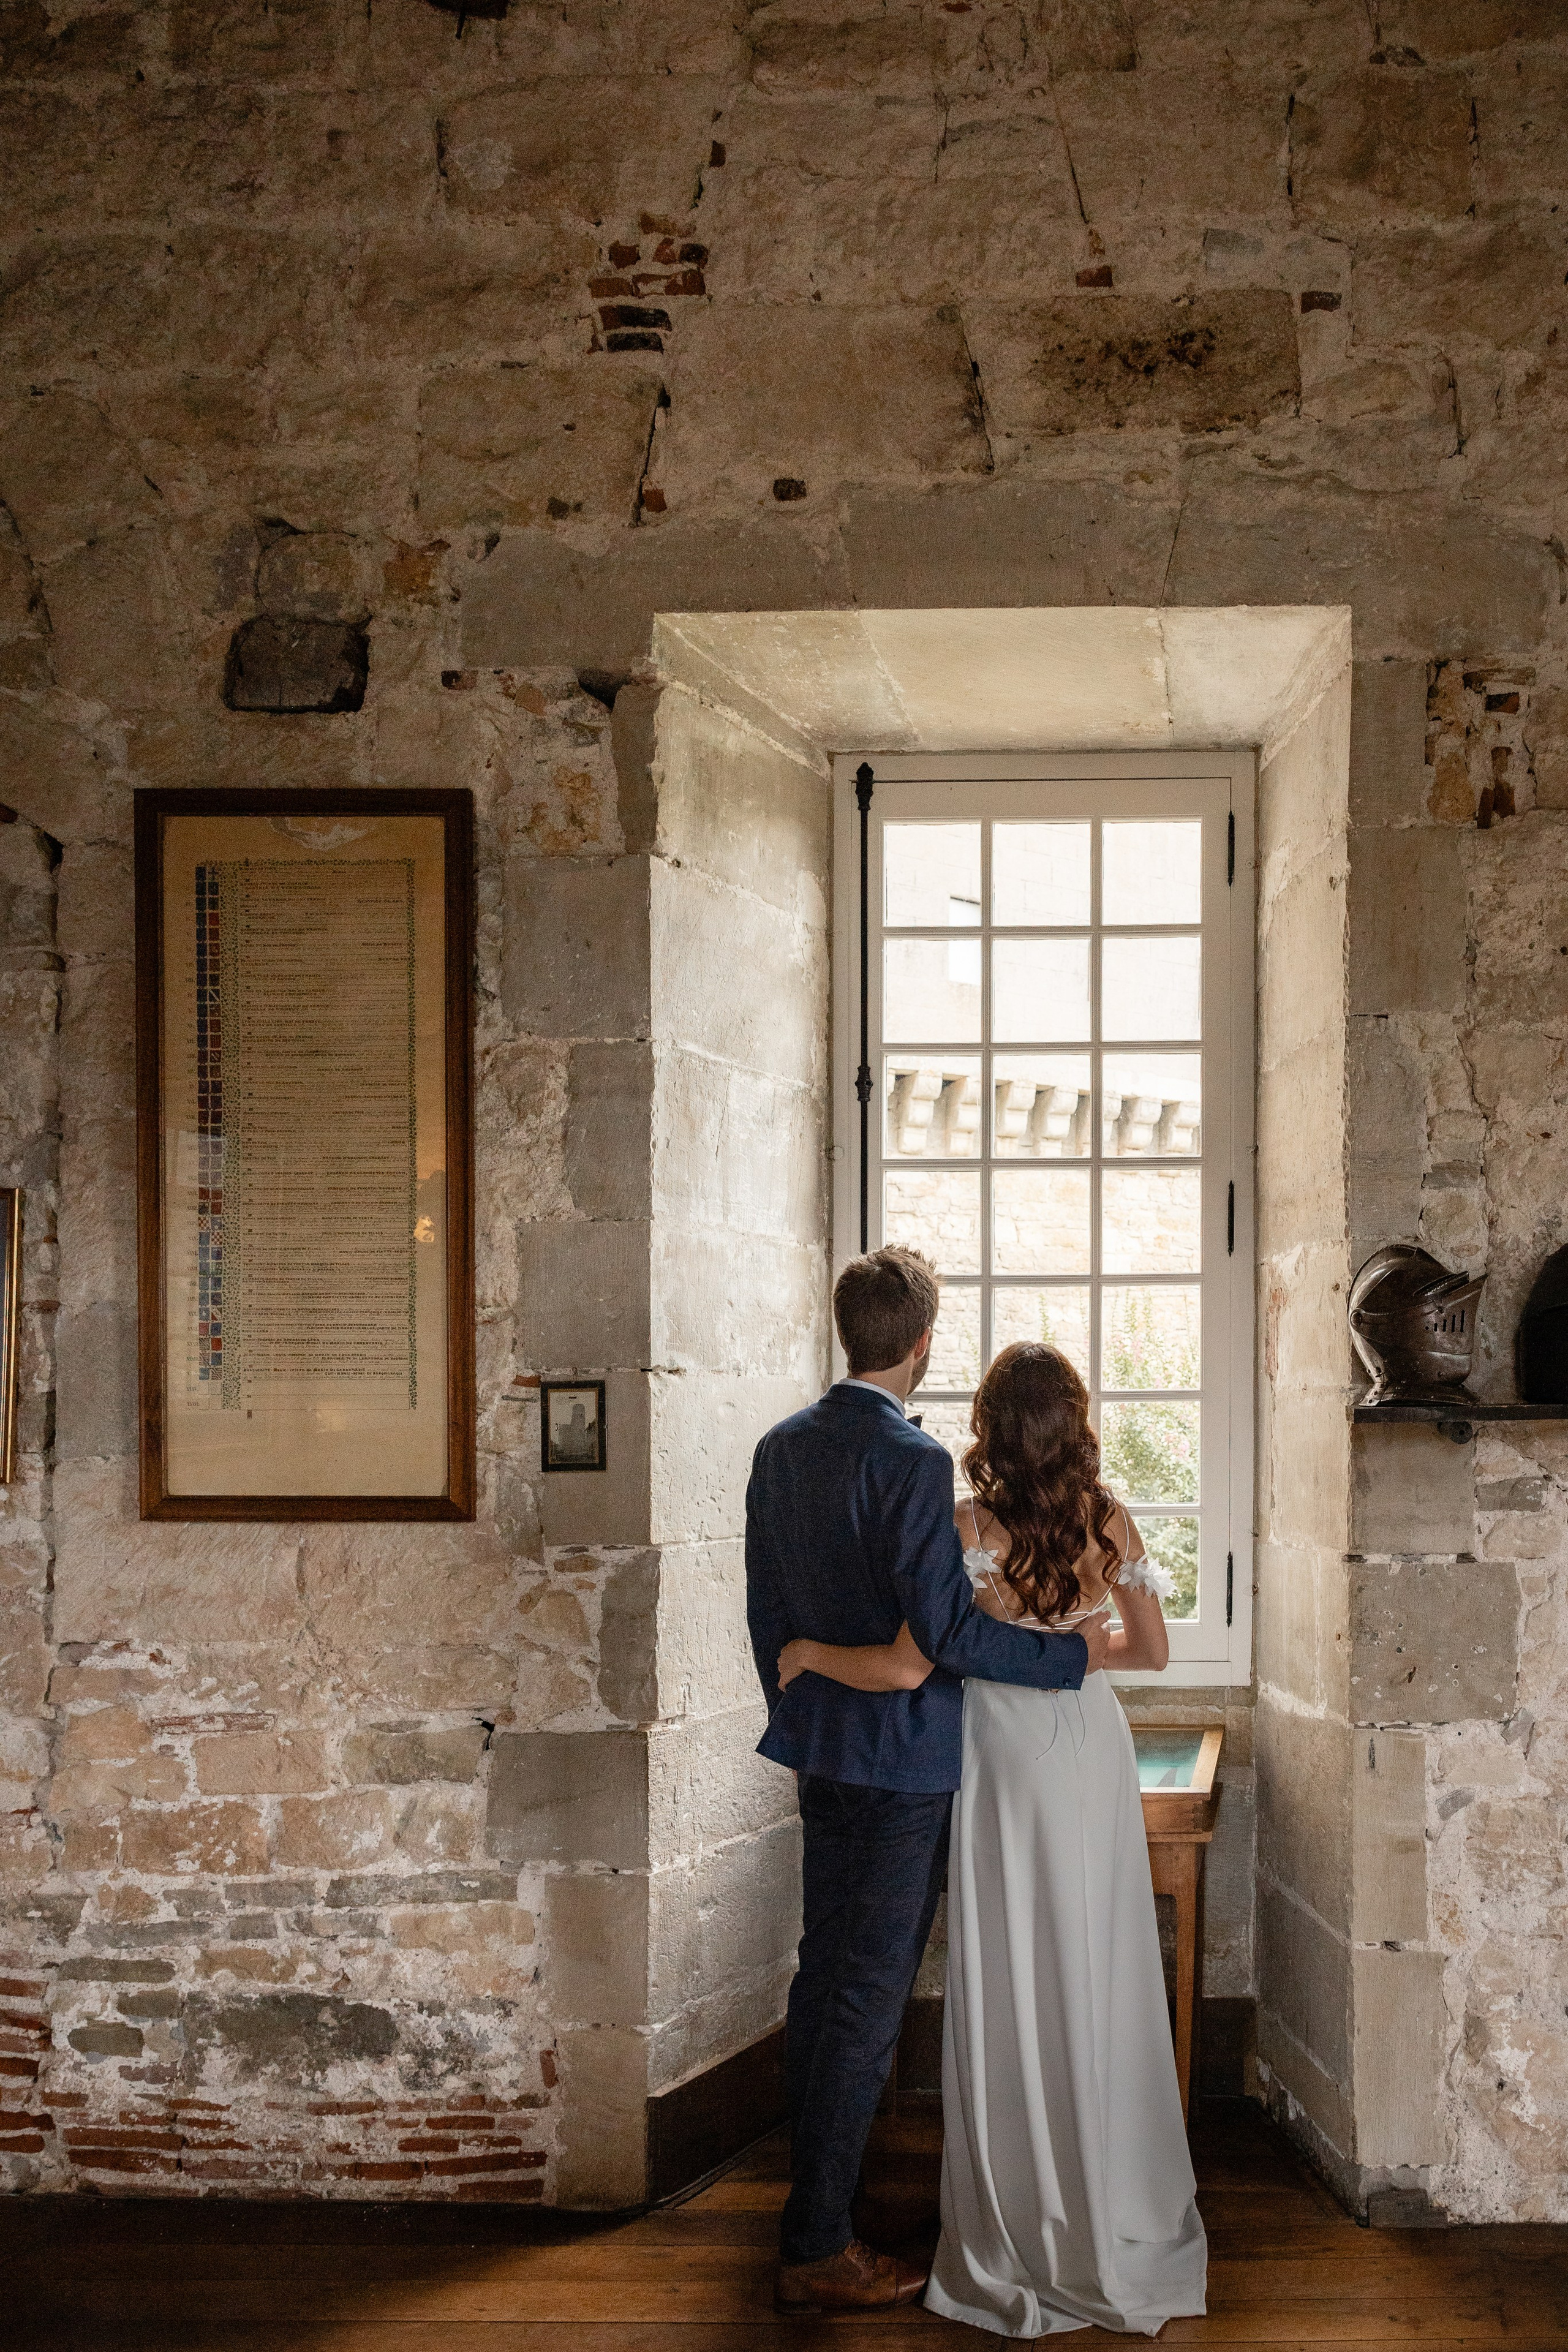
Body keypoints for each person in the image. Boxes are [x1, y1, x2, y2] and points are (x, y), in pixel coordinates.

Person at [778, 1341, 1207, 2339]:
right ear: (1076, 1424)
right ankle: (1108, 2193)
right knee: (1089, 1955)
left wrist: (807, 1655)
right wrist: (1077, 1643)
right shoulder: (1110, 1518)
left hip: (998, 1748)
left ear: (989, 1428)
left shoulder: (967, 1525)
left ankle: (1016, 2208)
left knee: (1009, 1961)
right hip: (1085, 1744)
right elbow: (1146, 1649)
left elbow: (914, 1662)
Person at [745, 1252, 1112, 2318]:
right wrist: (1069, 1659)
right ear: (921, 1344)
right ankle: (816, 2243)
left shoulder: (779, 1449)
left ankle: (822, 2195)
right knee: (864, 2001)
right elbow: (942, 1637)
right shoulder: (908, 1462)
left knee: (824, 1982)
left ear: (847, 1331)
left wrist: (800, 1697)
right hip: (904, 1763)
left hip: (820, 1749)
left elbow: (769, 1616)